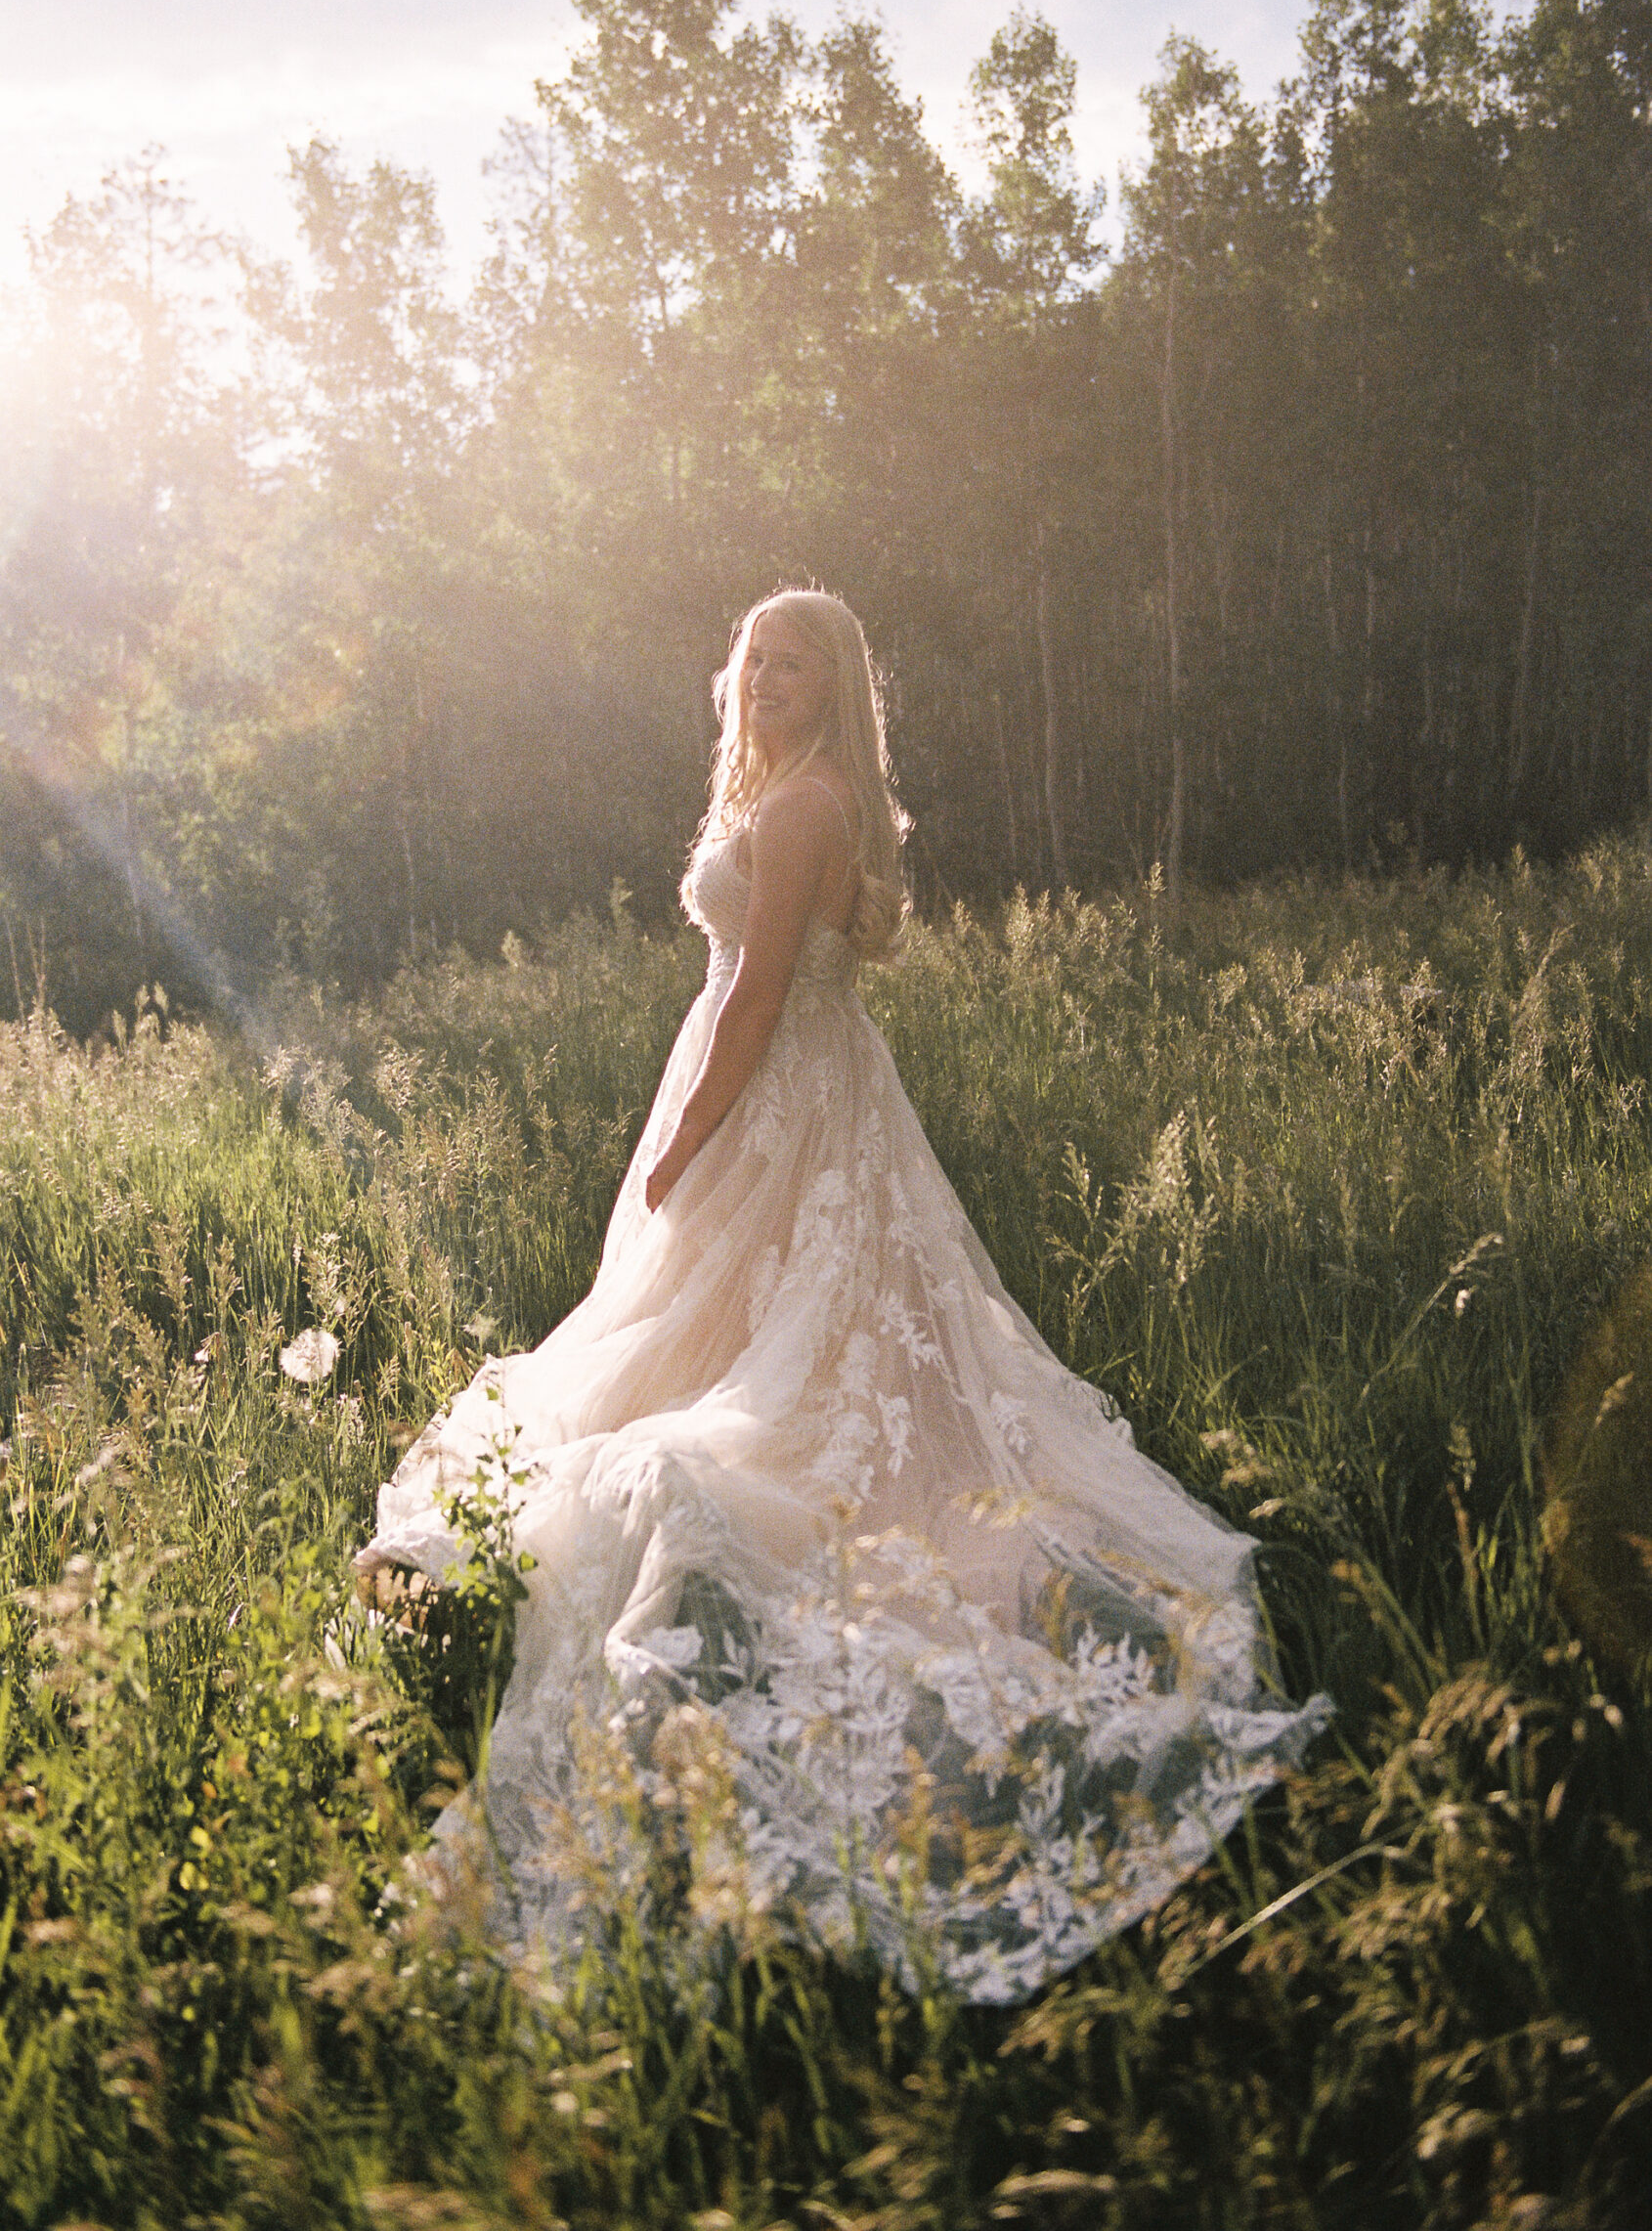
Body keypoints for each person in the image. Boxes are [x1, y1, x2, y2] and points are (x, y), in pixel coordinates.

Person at [357, 589, 1327, 2003]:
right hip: (789, 1094)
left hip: (777, 1098)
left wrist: (690, 1135)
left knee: (765, 1351)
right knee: (716, 1327)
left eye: (794, 661)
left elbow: (753, 995)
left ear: (838, 686)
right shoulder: (790, 792)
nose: (765, 677)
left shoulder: (807, 805)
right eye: (753, 656)